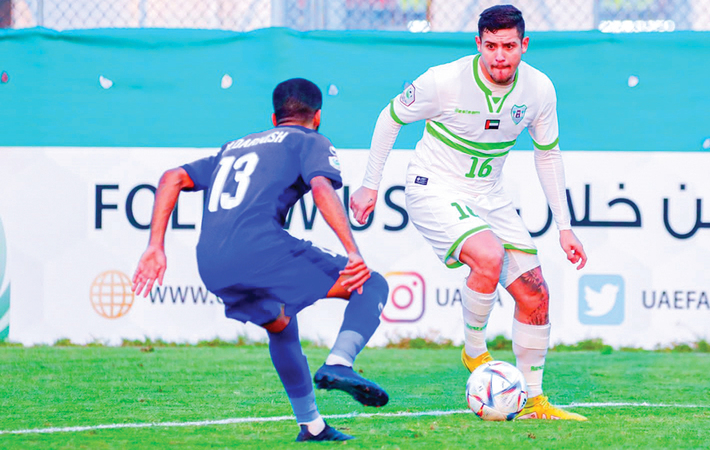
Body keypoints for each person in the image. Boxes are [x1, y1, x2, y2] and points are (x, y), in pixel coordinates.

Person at [351, 5, 587, 421]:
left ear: (524, 45)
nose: (500, 56)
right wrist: (370, 184)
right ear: (479, 44)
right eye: (491, 46)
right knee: (489, 255)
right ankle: (475, 352)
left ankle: (534, 402)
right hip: (433, 187)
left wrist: (564, 227)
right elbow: (390, 119)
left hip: (489, 196)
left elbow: (548, 155)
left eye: (509, 46)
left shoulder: (539, 90)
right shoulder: (443, 81)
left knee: (535, 294)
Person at [132, 78, 390, 441]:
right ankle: (340, 363)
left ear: (274, 117)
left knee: (280, 323)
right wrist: (353, 252)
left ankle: (312, 426)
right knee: (370, 283)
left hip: (211, 262)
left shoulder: (234, 147)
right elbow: (321, 188)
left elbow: (172, 177)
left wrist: (155, 246)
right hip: (260, 249)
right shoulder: (309, 140)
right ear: (317, 116)